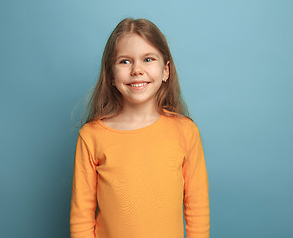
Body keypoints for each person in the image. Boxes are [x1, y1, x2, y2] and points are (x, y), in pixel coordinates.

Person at [70, 18, 210, 238]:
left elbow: (197, 209)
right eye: (125, 61)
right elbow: (81, 219)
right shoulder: (91, 136)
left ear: (165, 71)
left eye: (148, 59)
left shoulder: (186, 132)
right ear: (111, 76)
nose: (137, 70)